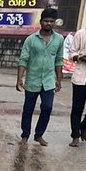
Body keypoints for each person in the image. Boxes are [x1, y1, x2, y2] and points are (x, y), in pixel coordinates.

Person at [16, 8, 64, 146]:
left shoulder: (59, 39)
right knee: (28, 109)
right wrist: (19, 78)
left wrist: (59, 79)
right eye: (46, 21)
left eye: (51, 21)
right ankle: (25, 135)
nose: (48, 23)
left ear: (54, 23)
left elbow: (59, 60)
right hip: (32, 80)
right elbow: (23, 59)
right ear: (40, 22)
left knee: (47, 107)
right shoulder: (31, 39)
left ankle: (39, 135)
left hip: (48, 81)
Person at [65, 22, 86, 147]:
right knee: (77, 108)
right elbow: (71, 53)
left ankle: (82, 126)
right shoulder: (82, 33)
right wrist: (80, 58)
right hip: (81, 77)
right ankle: (75, 136)